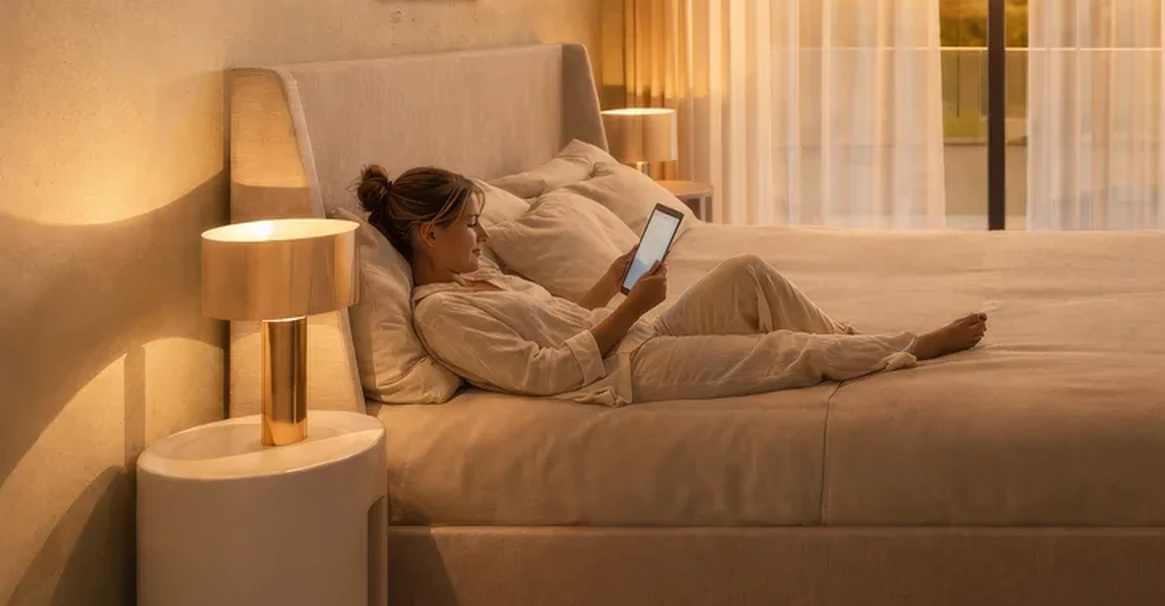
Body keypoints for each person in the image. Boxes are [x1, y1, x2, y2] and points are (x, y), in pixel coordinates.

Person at [354, 164, 987, 406]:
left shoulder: (478, 274)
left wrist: (612, 282)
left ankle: (854, 342)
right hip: (622, 371)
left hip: (630, 333)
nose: (483, 234)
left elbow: (561, 317)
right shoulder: (442, 316)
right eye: (470, 224)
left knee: (747, 272)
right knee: (778, 351)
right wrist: (630, 310)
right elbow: (544, 373)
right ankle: (910, 347)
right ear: (429, 235)